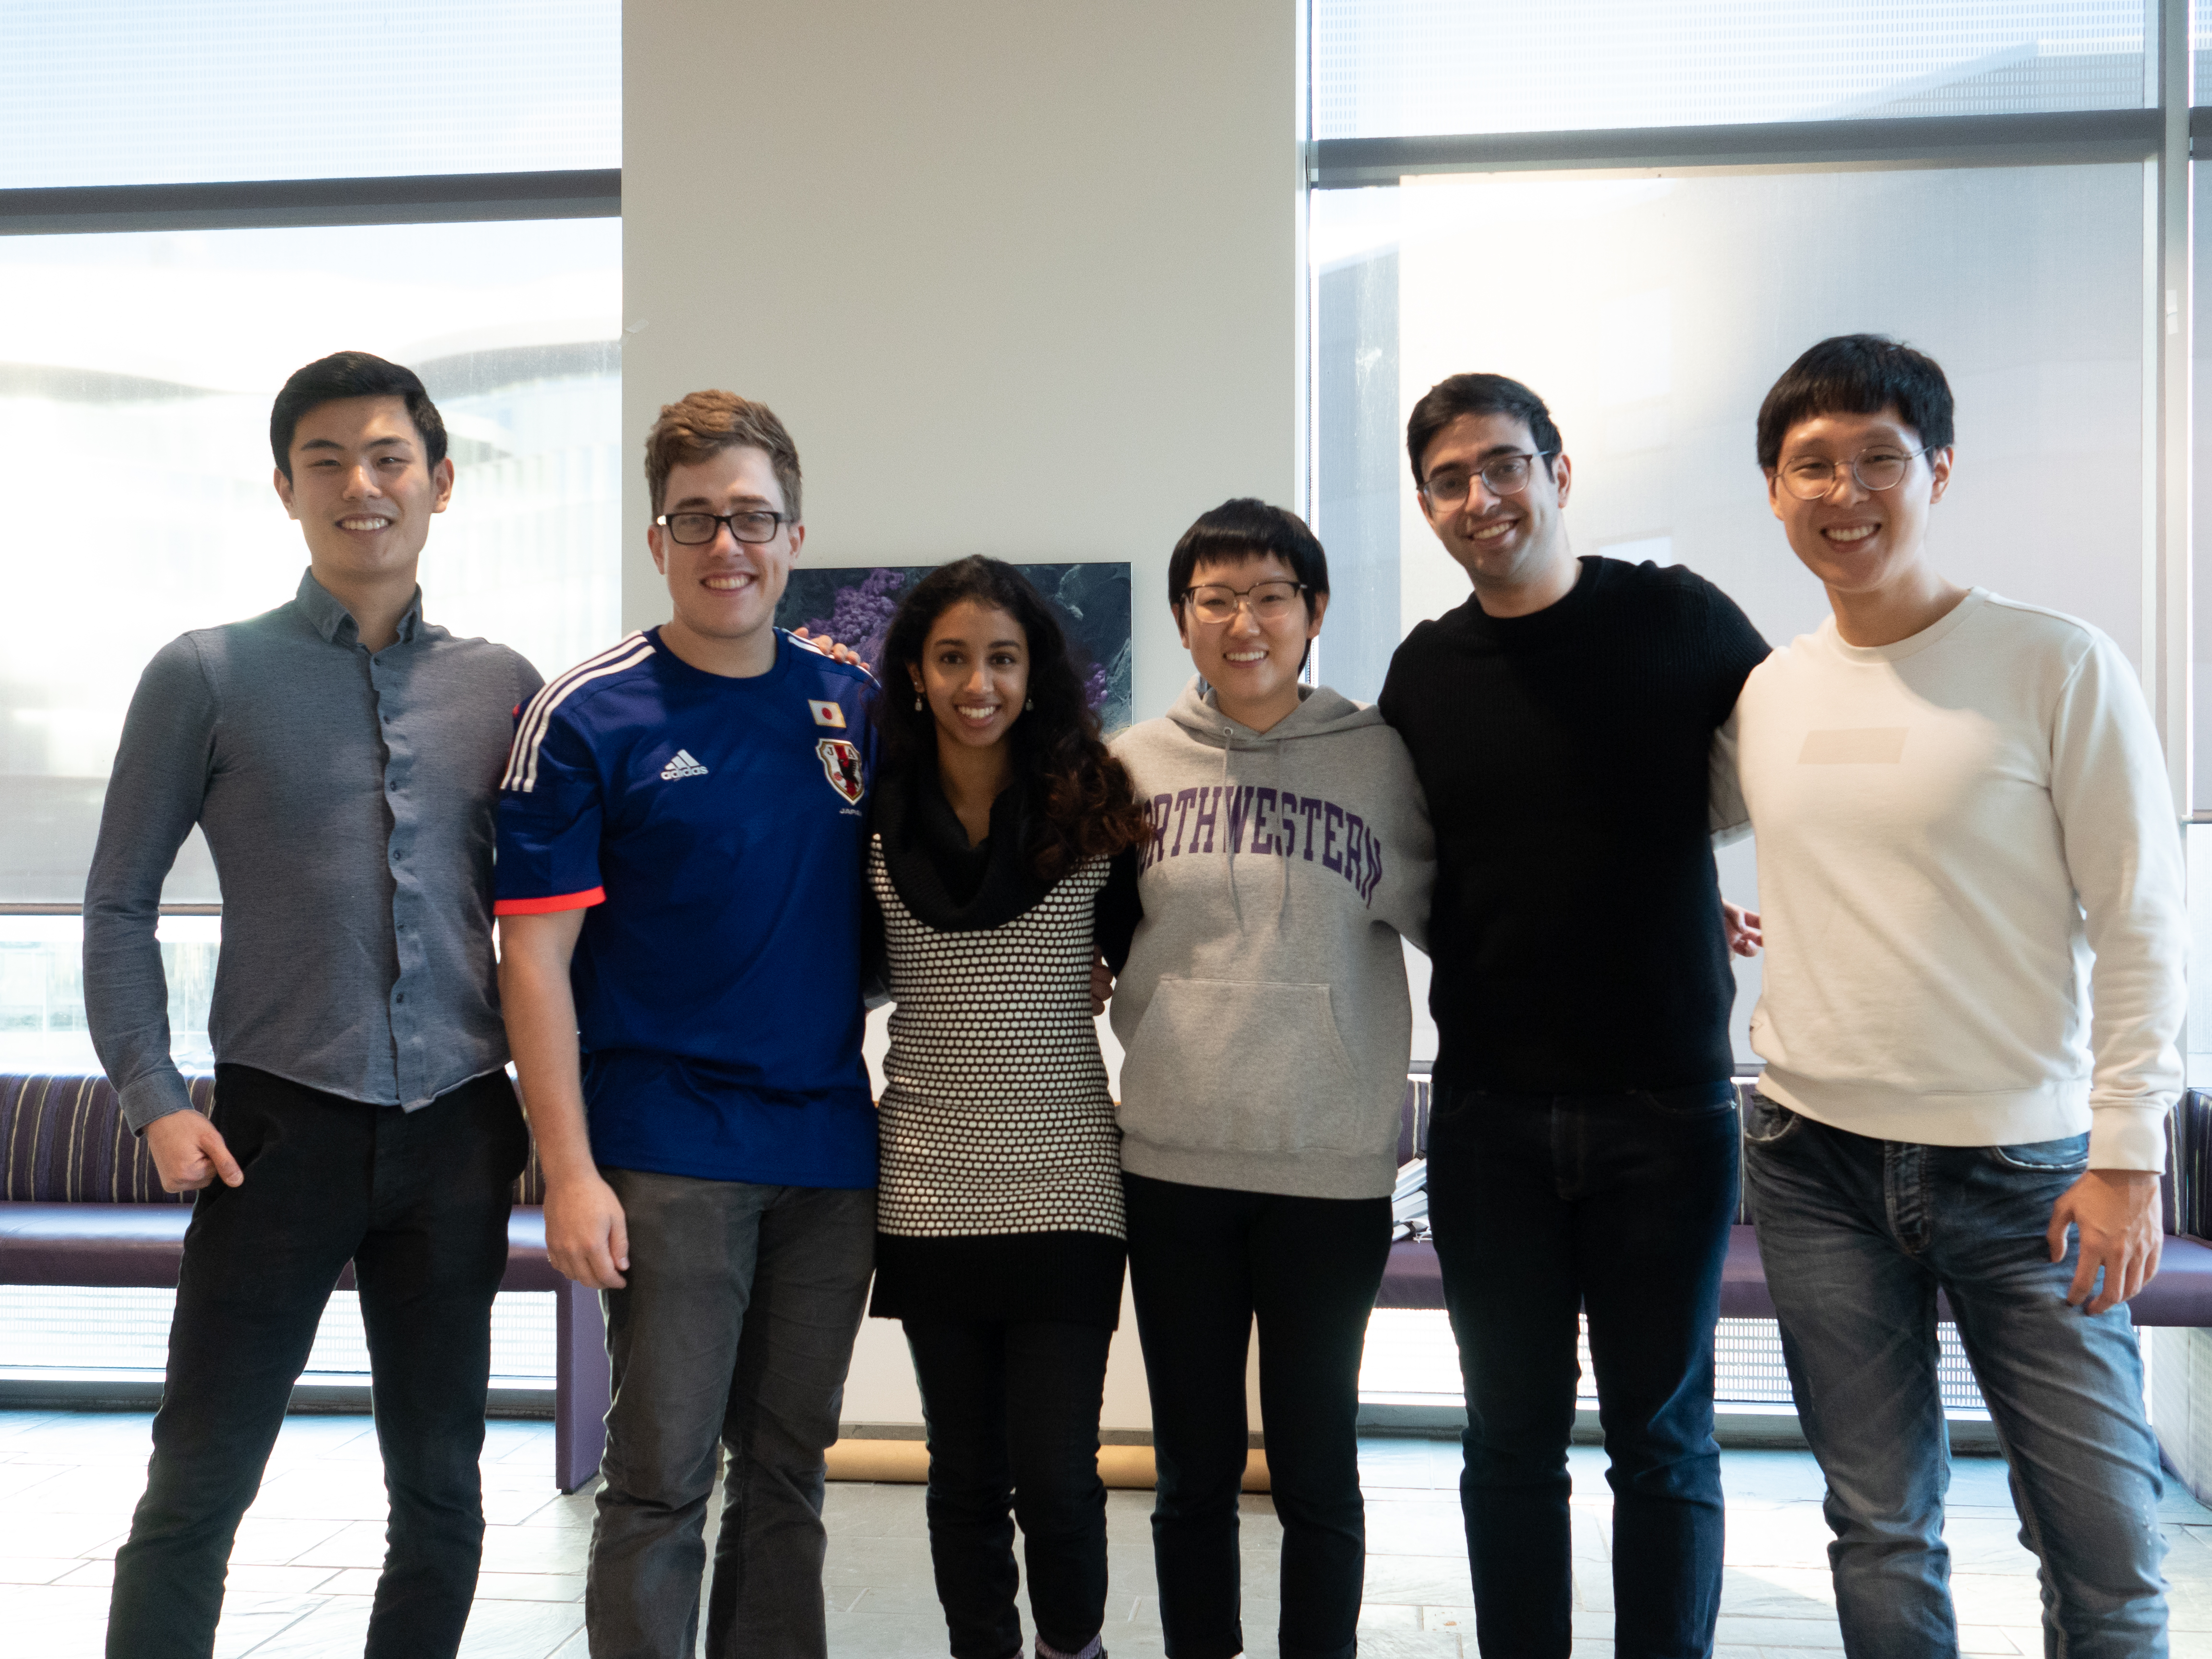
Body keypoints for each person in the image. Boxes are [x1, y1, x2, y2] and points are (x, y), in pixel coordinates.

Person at [1730, 334, 2182, 1656]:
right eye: (1812, 465)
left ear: (1937, 472)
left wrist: (2128, 1159)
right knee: (1879, 1528)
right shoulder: (1767, 692)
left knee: (2101, 1543)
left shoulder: (2055, 663)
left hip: (2033, 1172)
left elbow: (2146, 918)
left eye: (1878, 458)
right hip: (1812, 1160)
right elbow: (1659, 831)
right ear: (1774, 490)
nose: (1845, 491)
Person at [85, 351, 541, 1659]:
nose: (362, 484)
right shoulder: (207, 673)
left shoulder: (508, 686)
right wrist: (155, 1102)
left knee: (444, 1494)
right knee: (198, 1488)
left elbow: (557, 920)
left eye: (390, 456)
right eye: (328, 460)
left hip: (461, 1129)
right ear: (286, 488)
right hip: (274, 1135)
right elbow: (118, 903)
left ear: (440, 483)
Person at [1376, 373, 1769, 1658]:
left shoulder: (1679, 620)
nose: (1479, 498)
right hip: (1490, 1112)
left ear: (1556, 469)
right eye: (1448, 478)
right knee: (1508, 1441)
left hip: (1670, 1105)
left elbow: (1809, 774)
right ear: (1428, 502)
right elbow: (1419, 862)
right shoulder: (1426, 671)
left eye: (1501, 465)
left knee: (1663, 1439)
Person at [494, 391, 879, 1659]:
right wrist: (569, 1172)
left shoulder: (852, 707)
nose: (730, 546)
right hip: (665, 1159)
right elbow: (534, 961)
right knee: (660, 1485)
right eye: (699, 518)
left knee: (787, 1481)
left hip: (828, 1156)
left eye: (755, 519)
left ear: (796, 533)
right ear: (657, 537)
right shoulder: (587, 716)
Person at [1105, 499, 1434, 1659]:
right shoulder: (1130, 765)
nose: (1245, 623)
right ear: (1185, 621)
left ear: (1314, 613)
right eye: (1216, 600)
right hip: (1173, 1164)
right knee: (1191, 1466)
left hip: (1331, 1169)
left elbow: (1493, 908)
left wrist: (1678, 913)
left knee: (1315, 1465)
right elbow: (1081, 937)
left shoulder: (1383, 759)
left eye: (1271, 597)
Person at [864, 555, 1147, 1659]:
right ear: (917, 672)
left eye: (1002, 658)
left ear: (1036, 673)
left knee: (1059, 1475)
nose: (976, 683)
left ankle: (1073, 1649)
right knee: (962, 1474)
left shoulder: (1092, 806)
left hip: (1071, 1179)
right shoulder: (878, 816)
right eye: (951, 659)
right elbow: (840, 968)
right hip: (929, 1183)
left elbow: (1154, 966)